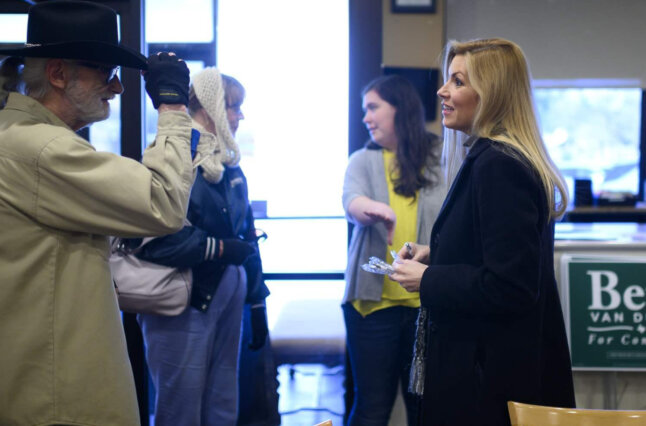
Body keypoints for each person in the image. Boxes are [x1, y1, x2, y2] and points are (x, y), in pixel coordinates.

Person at [0, 1, 196, 425]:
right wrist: (173, 108)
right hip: (57, 394)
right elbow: (164, 204)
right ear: (57, 74)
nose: (117, 87)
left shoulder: (19, 137)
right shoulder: (42, 148)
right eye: (105, 73)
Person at [390, 38, 576, 425]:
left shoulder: (499, 165)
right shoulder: (495, 158)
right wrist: (437, 253)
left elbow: (511, 285)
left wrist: (430, 278)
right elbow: (496, 256)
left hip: (485, 386)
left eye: (457, 81)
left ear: (491, 94)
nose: (442, 90)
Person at [135, 68, 272, 426]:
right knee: (180, 410)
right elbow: (152, 241)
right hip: (182, 301)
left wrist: (257, 302)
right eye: (234, 106)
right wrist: (221, 250)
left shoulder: (228, 165)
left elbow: (247, 236)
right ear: (211, 106)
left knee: (223, 405)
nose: (240, 116)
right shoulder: (172, 160)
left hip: (228, 297)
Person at [342, 74, 446, 426]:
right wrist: (370, 208)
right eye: (364, 110)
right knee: (372, 407)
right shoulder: (362, 160)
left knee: (426, 409)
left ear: (400, 109)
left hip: (428, 307)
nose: (366, 118)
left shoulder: (440, 157)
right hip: (372, 308)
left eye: (373, 107)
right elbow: (351, 202)